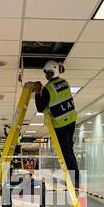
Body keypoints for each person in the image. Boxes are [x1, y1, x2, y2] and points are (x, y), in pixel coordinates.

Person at [34, 60, 80, 190]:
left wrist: (38, 92)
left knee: (66, 152)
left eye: (47, 73)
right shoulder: (65, 83)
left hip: (61, 123)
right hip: (71, 120)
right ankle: (74, 178)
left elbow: (40, 107)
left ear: (51, 72)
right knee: (69, 151)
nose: (46, 76)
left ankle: (74, 180)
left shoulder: (48, 89)